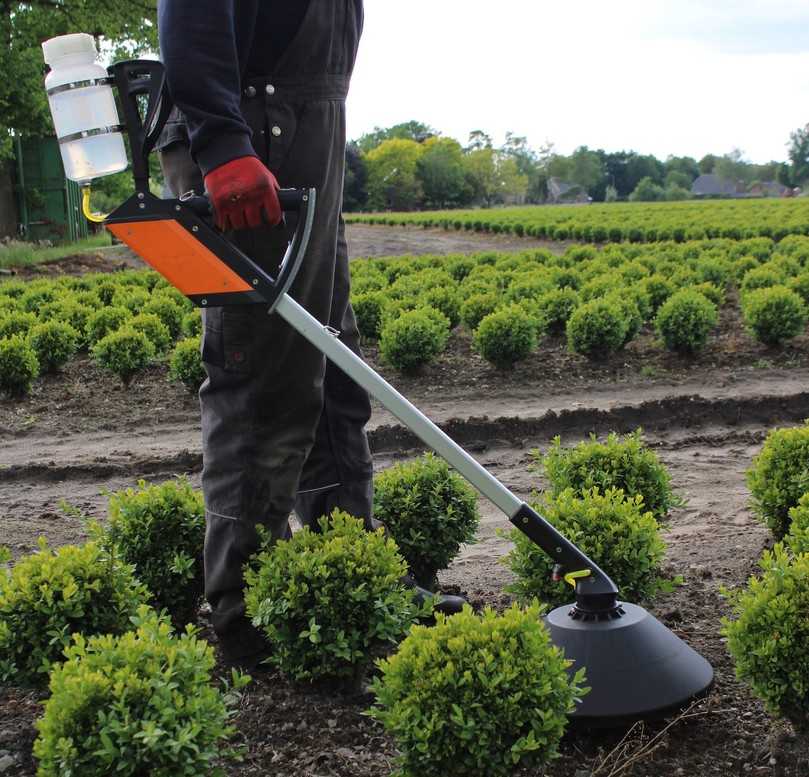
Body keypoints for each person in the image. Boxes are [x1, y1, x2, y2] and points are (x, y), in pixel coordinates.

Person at [156, 1, 463, 670]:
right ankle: (249, 609)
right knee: (266, 381)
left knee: (332, 369)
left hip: (301, 137)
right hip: (251, 136)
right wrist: (221, 143)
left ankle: (345, 571)